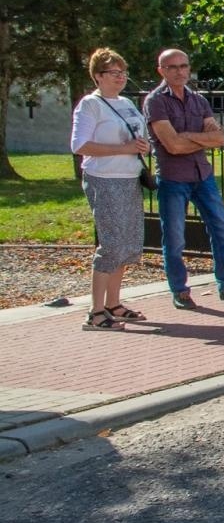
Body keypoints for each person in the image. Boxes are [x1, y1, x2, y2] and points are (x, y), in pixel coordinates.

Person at [144, 49, 224, 308]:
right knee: (175, 237)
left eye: (183, 66)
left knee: (222, 229)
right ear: (161, 70)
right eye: (172, 67)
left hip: (203, 175)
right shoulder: (155, 101)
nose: (179, 71)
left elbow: (219, 139)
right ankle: (180, 290)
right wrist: (198, 139)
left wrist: (185, 136)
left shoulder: (198, 100)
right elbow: (172, 146)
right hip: (173, 178)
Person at [69, 48, 153, 331]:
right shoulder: (90, 105)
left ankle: (114, 304)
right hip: (103, 179)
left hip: (129, 177)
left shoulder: (127, 104)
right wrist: (123, 148)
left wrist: (143, 146)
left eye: (123, 73)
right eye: (114, 73)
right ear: (98, 76)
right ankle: (95, 312)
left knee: (128, 243)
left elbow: (141, 137)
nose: (120, 78)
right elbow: (79, 145)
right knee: (111, 243)